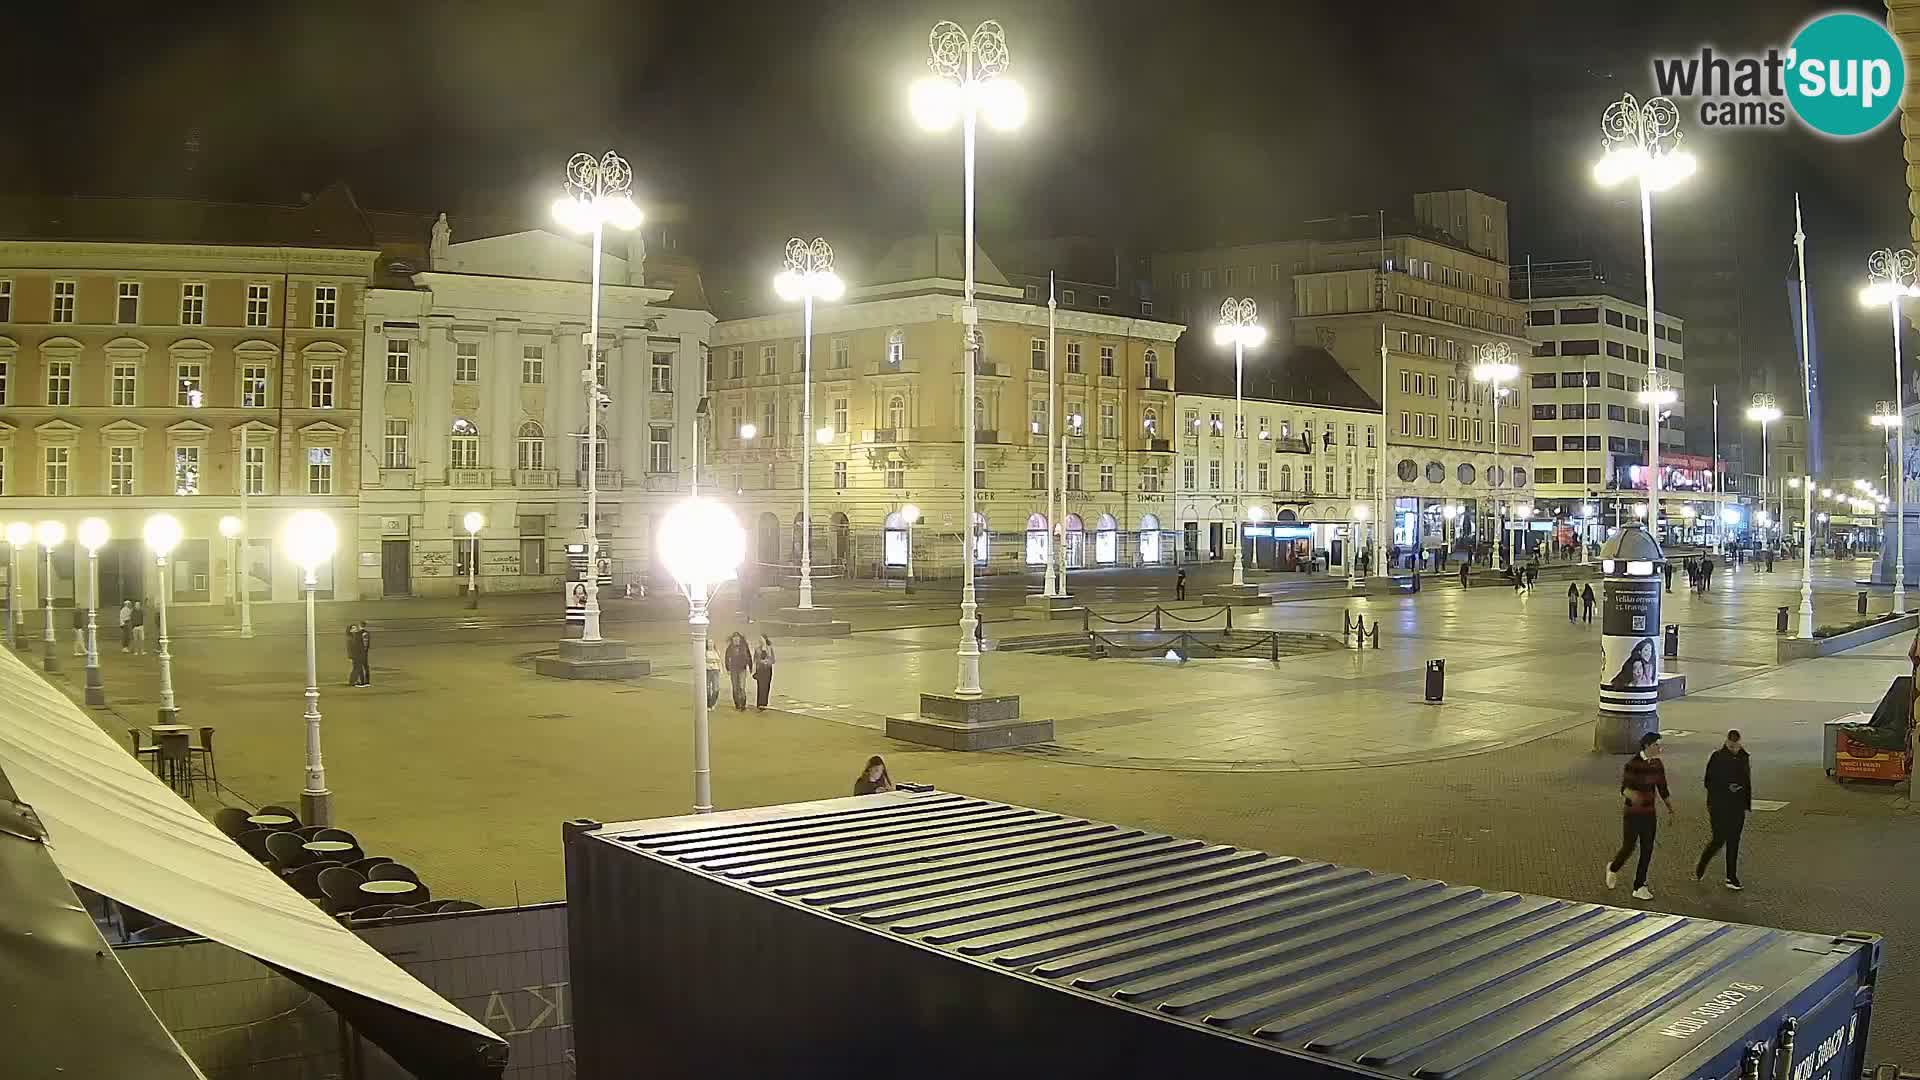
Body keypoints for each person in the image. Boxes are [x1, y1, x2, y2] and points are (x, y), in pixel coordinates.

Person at [1606, 731, 1673, 901]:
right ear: (1647, 746)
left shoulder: (1657, 764)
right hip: (1633, 814)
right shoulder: (1633, 764)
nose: (1659, 747)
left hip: (1649, 814)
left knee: (1647, 849)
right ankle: (1613, 868)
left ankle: (1639, 885)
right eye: (1656, 744)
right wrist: (1632, 795)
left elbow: (1662, 787)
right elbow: (1624, 788)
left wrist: (1670, 808)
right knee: (1629, 847)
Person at [1696, 730, 1751, 890]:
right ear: (1727, 742)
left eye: (1736, 746)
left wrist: (1744, 797)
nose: (1734, 749)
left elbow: (1746, 780)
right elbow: (1708, 781)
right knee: (1719, 839)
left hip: (1737, 805)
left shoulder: (1744, 756)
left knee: (1734, 841)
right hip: (1719, 805)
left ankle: (1731, 876)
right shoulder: (1717, 757)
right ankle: (1703, 861)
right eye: (1731, 746)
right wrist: (1727, 787)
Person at [724, 632, 753, 710]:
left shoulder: (744, 647)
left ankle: (743, 704)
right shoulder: (730, 648)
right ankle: (737, 704)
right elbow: (726, 658)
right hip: (733, 670)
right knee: (735, 688)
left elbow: (749, 656)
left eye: (737, 638)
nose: (736, 639)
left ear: (740, 639)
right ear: (732, 639)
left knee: (741, 687)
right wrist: (728, 669)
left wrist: (750, 667)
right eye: (734, 638)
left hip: (742, 669)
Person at [753, 635, 776, 711]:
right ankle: (759, 704)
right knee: (760, 686)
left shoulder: (770, 648)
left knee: (767, 686)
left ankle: (765, 703)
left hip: (768, 669)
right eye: (759, 639)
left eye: (761, 639)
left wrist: (767, 662)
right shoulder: (757, 649)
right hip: (760, 670)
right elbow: (755, 659)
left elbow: (773, 660)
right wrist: (760, 662)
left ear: (765, 639)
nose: (760, 640)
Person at [705, 639, 722, 709]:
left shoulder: (717, 652)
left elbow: (719, 661)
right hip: (708, 671)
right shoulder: (705, 652)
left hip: (716, 671)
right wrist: (712, 660)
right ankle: (708, 704)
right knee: (707, 689)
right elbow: (704, 660)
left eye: (711, 642)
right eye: (709, 642)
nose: (710, 644)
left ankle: (713, 703)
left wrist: (721, 669)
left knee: (716, 689)